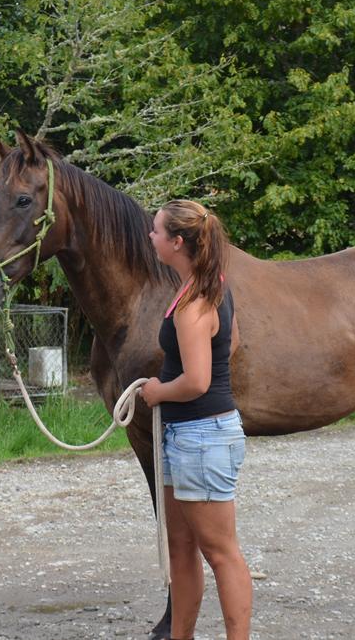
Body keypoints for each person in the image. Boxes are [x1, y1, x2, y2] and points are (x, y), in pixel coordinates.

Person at [137, 200, 251, 640]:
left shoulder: (193, 305)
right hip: (188, 437)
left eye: (157, 232)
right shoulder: (209, 287)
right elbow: (234, 339)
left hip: (201, 437)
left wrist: (156, 391)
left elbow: (198, 381)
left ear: (177, 242)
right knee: (182, 547)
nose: (151, 238)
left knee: (221, 553)